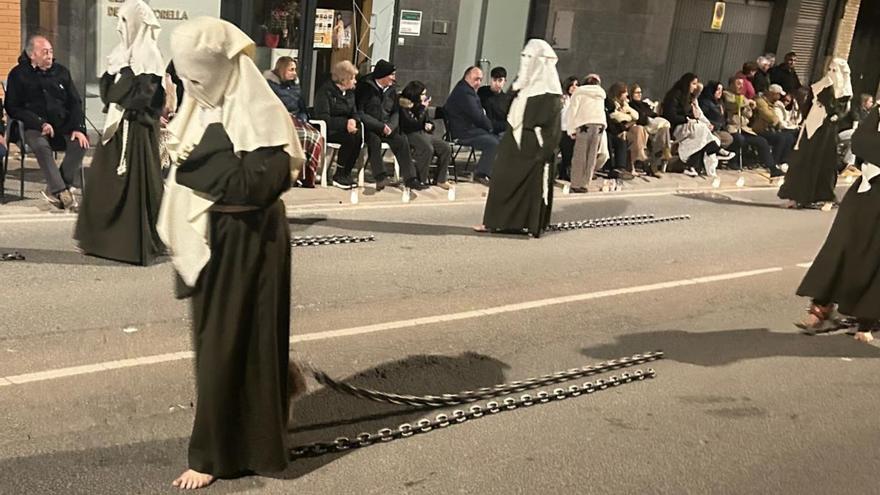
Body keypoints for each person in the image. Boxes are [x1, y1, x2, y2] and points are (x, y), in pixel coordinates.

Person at [155, 17, 306, 490]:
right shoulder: (204, 105)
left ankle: (215, 454)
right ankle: (245, 433)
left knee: (238, 342)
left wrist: (201, 160)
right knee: (220, 344)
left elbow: (257, 184)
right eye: (186, 78)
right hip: (218, 241)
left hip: (249, 243)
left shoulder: (259, 112)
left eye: (198, 77)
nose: (193, 88)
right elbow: (190, 170)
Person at [73, 0, 166, 265]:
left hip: (136, 133)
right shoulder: (119, 54)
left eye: (125, 21)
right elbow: (108, 93)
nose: (119, 27)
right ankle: (100, 240)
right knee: (103, 184)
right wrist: (118, 76)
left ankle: (130, 245)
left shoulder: (150, 57)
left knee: (134, 186)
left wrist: (122, 76)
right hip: (116, 130)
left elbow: (138, 98)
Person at [794, 104, 880, 343]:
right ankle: (820, 309)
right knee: (839, 247)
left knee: (875, 256)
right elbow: (861, 141)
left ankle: (867, 319)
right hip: (866, 191)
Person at [474, 39, 562, 237]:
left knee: (530, 187)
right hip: (513, 140)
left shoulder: (550, 93)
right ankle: (496, 221)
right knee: (502, 180)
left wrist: (546, 151)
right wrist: (515, 88)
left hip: (534, 145)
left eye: (529, 57)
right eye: (523, 56)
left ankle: (527, 223)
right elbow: (503, 110)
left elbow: (553, 127)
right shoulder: (521, 84)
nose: (524, 60)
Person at [5, 34, 89, 210]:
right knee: (41, 146)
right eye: (44, 52)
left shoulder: (61, 72)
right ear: (32, 54)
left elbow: (75, 102)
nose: (50, 56)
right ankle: (62, 192)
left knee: (80, 143)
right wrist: (40, 123)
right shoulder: (18, 75)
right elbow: (12, 107)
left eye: (51, 52)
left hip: (61, 126)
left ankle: (55, 189)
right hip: (31, 128)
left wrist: (78, 127)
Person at [779, 59, 852, 208]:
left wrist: (828, 96)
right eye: (829, 69)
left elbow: (838, 111)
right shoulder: (819, 85)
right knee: (803, 161)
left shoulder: (843, 92)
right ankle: (796, 196)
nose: (831, 74)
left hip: (826, 131)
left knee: (822, 163)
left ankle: (822, 196)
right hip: (811, 127)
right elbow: (808, 106)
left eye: (835, 70)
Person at [355, 59, 422, 190]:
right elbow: (360, 113)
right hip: (370, 127)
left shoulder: (392, 91)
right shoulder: (365, 88)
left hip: (387, 127)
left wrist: (391, 126)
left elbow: (396, 112)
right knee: (374, 141)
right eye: (391, 75)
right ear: (383, 76)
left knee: (402, 141)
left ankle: (410, 178)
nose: (394, 78)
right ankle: (380, 176)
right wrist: (379, 126)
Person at [264, 56, 323, 187]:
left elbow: (301, 106)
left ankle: (307, 175)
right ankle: (289, 174)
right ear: (282, 69)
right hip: (277, 119)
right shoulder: (270, 84)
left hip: (295, 118)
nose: (294, 73)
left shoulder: (295, 85)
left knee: (314, 136)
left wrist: (303, 117)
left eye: (295, 69)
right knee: (294, 136)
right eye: (291, 69)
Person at [662, 73, 733, 177]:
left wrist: (700, 119)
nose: (695, 87)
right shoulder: (674, 95)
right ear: (687, 84)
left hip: (689, 127)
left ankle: (692, 167)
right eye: (694, 84)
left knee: (704, 135)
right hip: (676, 128)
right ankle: (716, 149)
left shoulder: (690, 98)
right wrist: (687, 119)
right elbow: (670, 115)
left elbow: (697, 115)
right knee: (702, 130)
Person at [445, 66, 501, 185]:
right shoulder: (464, 93)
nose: (478, 83)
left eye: (480, 80)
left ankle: (490, 172)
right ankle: (481, 174)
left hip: (469, 129)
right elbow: (478, 115)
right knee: (493, 142)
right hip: (462, 132)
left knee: (498, 139)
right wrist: (491, 128)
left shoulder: (467, 90)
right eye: (476, 79)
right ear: (467, 77)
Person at [313, 60, 362, 190]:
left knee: (358, 135)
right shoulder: (325, 92)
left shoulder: (350, 94)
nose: (355, 81)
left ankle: (346, 172)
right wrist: (345, 123)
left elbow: (355, 112)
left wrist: (353, 120)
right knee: (350, 138)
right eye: (353, 78)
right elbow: (323, 117)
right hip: (330, 129)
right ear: (344, 80)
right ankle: (338, 175)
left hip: (347, 127)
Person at [722, 77, 781, 177]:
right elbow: (732, 104)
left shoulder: (742, 97)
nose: (741, 86)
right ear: (731, 85)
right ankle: (733, 161)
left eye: (742, 84)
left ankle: (772, 168)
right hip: (733, 127)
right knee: (739, 139)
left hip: (744, 128)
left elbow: (748, 113)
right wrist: (746, 103)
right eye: (738, 84)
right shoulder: (727, 94)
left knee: (761, 141)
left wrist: (750, 107)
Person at [399, 80, 453, 189]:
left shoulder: (420, 105)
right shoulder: (404, 104)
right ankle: (419, 179)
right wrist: (423, 108)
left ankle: (440, 179)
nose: (425, 96)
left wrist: (430, 125)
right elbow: (411, 123)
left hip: (422, 133)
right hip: (409, 134)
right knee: (427, 148)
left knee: (445, 147)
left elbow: (427, 120)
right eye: (422, 94)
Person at [566, 76, 608, 193]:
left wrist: (571, 130)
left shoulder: (579, 93)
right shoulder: (601, 94)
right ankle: (585, 184)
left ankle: (576, 183)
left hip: (584, 124)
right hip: (599, 125)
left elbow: (573, 111)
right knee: (591, 156)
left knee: (580, 155)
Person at [752, 84, 797, 174]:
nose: (780, 97)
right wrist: (778, 122)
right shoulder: (761, 102)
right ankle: (774, 163)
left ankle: (783, 161)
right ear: (773, 94)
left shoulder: (771, 103)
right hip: (759, 129)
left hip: (769, 129)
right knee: (781, 138)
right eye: (778, 94)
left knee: (789, 137)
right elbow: (769, 116)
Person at [607, 81, 650, 175]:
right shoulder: (611, 104)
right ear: (618, 93)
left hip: (626, 130)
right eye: (624, 92)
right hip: (617, 131)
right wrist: (628, 118)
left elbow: (637, 116)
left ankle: (635, 161)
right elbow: (615, 117)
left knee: (639, 129)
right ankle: (638, 157)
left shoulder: (625, 104)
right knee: (637, 133)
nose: (627, 94)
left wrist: (627, 112)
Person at [629, 83, 672, 164]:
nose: (639, 94)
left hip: (652, 125)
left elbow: (652, 114)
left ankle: (662, 150)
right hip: (644, 126)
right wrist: (647, 116)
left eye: (640, 92)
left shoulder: (644, 104)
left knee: (664, 128)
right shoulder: (631, 105)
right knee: (663, 126)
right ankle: (663, 150)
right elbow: (640, 118)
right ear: (632, 94)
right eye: (637, 92)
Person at [839, 93, 874, 169]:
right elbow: (856, 124)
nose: (872, 103)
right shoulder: (855, 110)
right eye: (870, 101)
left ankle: (850, 164)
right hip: (844, 133)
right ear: (864, 102)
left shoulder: (867, 114)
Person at [477, 66, 513, 136]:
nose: (497, 83)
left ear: (504, 81)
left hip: (496, 131)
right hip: (481, 127)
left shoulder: (506, 100)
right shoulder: (482, 91)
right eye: (494, 80)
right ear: (491, 79)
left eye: (500, 80)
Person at [698, 81, 734, 149]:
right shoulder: (705, 102)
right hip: (709, 128)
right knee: (716, 140)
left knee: (729, 138)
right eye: (718, 90)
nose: (720, 92)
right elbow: (702, 116)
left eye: (721, 90)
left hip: (719, 129)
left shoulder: (720, 103)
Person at [557, 75, 579, 181]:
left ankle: (567, 171)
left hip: (574, 129)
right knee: (567, 149)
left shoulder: (579, 99)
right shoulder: (563, 98)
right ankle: (565, 171)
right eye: (572, 85)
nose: (574, 87)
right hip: (563, 129)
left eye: (577, 85)